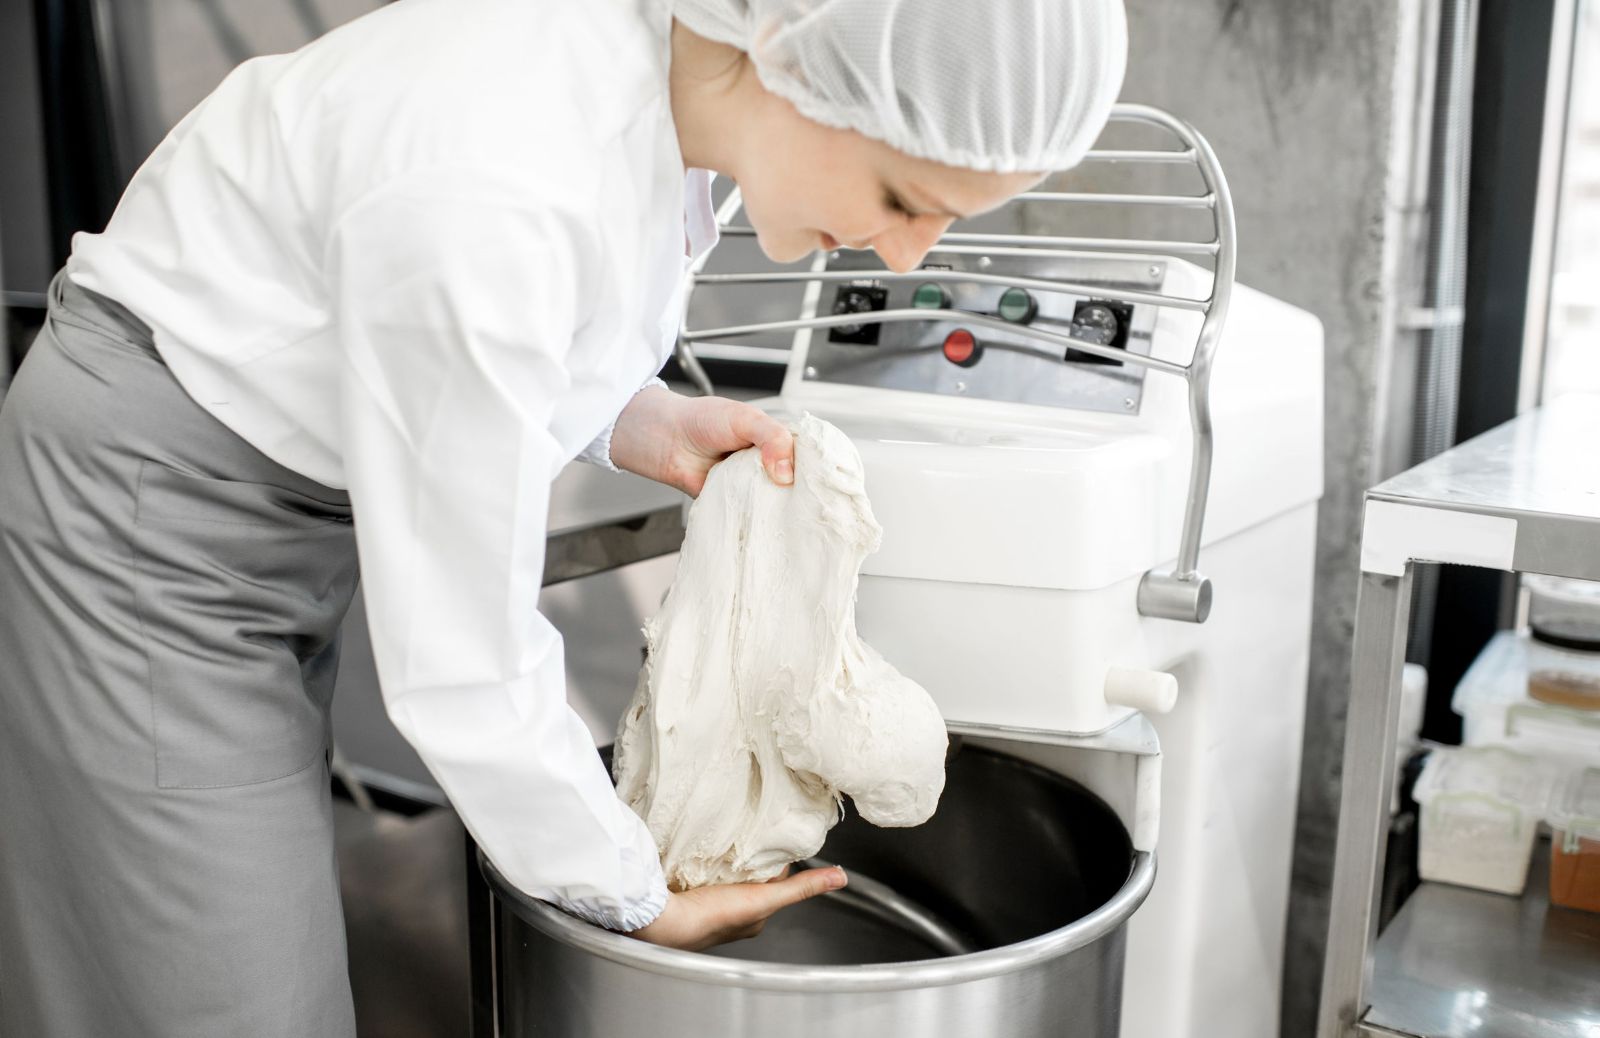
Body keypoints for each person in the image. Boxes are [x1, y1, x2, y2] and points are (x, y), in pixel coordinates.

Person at [0, 0, 1127, 1033]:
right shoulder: (498, 177)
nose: (906, 254)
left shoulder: (647, 78)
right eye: (899, 198)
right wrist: (630, 896)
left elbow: (467, 340)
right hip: (150, 531)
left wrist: (631, 417)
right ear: (790, 59)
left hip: (263, 512)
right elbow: (461, 662)